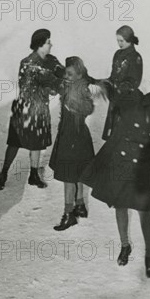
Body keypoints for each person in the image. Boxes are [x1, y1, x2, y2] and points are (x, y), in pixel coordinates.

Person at [81, 76, 150, 278]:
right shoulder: (132, 99)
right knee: (120, 205)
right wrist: (88, 79)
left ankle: (149, 255)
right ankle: (125, 245)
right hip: (121, 163)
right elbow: (112, 89)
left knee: (144, 211)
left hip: (142, 169)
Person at [0, 29, 65, 190]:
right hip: (25, 110)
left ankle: (33, 175)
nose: (51, 44)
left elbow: (62, 74)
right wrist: (50, 88)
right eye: (48, 42)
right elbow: (27, 90)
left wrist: (61, 80)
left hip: (40, 109)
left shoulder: (51, 60)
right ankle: (4, 172)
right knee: (15, 143)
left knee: (37, 144)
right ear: (40, 45)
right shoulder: (28, 63)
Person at [49, 57, 97, 231]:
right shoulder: (73, 84)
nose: (66, 76)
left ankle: (68, 215)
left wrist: (75, 107)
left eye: (70, 74)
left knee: (68, 178)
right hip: (75, 136)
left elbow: (89, 108)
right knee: (76, 171)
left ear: (78, 74)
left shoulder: (79, 88)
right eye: (66, 73)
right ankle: (80, 205)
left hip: (72, 138)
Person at [101, 26, 143, 141]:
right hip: (115, 98)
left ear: (129, 39)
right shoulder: (117, 54)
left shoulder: (136, 57)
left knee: (122, 132)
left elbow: (134, 81)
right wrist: (106, 83)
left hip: (127, 100)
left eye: (121, 41)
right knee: (112, 132)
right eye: (117, 41)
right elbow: (113, 75)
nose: (119, 44)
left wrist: (120, 88)